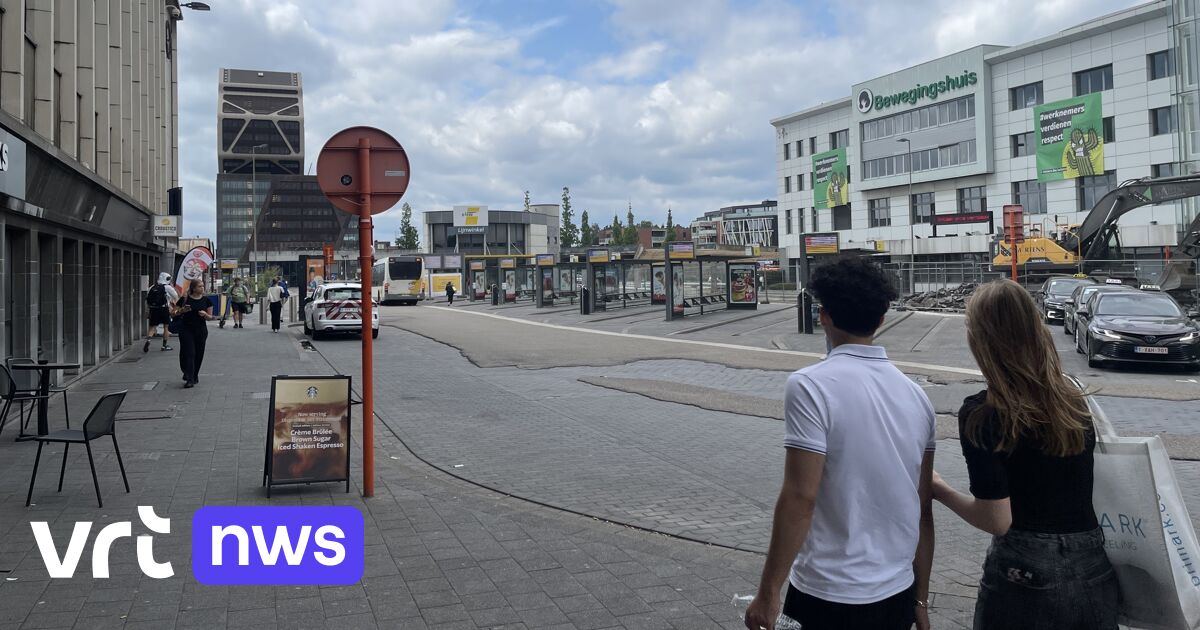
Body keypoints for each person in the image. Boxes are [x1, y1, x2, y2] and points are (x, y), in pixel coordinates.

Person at [744, 257, 935, 630]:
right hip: (896, 593)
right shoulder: (918, 397)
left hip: (826, 593)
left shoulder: (810, 386)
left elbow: (800, 497)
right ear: (881, 320)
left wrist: (768, 592)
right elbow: (923, 507)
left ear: (823, 316)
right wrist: (920, 600)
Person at [931, 280, 1116, 629]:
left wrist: (939, 489)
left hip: (1024, 573)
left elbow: (996, 520)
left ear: (981, 340)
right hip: (1092, 564)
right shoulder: (1071, 399)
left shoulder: (982, 414)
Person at [173, 278, 213, 388]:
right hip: (186, 329)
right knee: (189, 353)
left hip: (201, 330)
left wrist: (205, 314)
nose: (202, 288)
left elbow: (210, 317)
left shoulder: (206, 300)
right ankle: (189, 378)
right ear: (194, 288)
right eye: (200, 286)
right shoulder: (184, 299)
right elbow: (173, 313)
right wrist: (182, 311)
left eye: (202, 286)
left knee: (199, 354)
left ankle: (194, 375)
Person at [144, 272, 178, 353]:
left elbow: (147, 300)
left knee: (152, 327)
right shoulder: (168, 287)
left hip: (153, 309)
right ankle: (164, 345)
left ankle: (148, 340)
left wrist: (147, 311)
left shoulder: (152, 287)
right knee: (166, 327)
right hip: (164, 309)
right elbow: (176, 297)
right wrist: (174, 308)